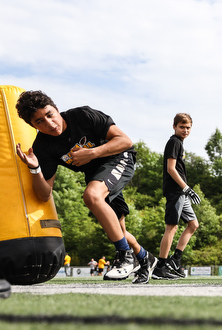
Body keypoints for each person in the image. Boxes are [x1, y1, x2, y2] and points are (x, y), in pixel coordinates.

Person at [14, 91, 156, 284]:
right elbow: (44, 194)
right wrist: (35, 168)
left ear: (56, 109)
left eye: (49, 114)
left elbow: (125, 141)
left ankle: (124, 256)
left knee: (91, 196)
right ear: (33, 126)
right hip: (96, 174)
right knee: (117, 228)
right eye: (39, 122)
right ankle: (145, 258)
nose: (49, 123)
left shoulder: (82, 115)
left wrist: (93, 153)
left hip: (119, 157)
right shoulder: (43, 147)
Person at [153, 113, 201, 280]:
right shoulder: (174, 141)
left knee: (193, 224)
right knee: (171, 227)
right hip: (176, 191)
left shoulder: (180, 143)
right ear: (174, 127)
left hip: (181, 192)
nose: (185, 130)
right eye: (182, 127)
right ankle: (161, 267)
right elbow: (171, 169)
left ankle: (175, 260)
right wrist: (186, 188)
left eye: (188, 127)